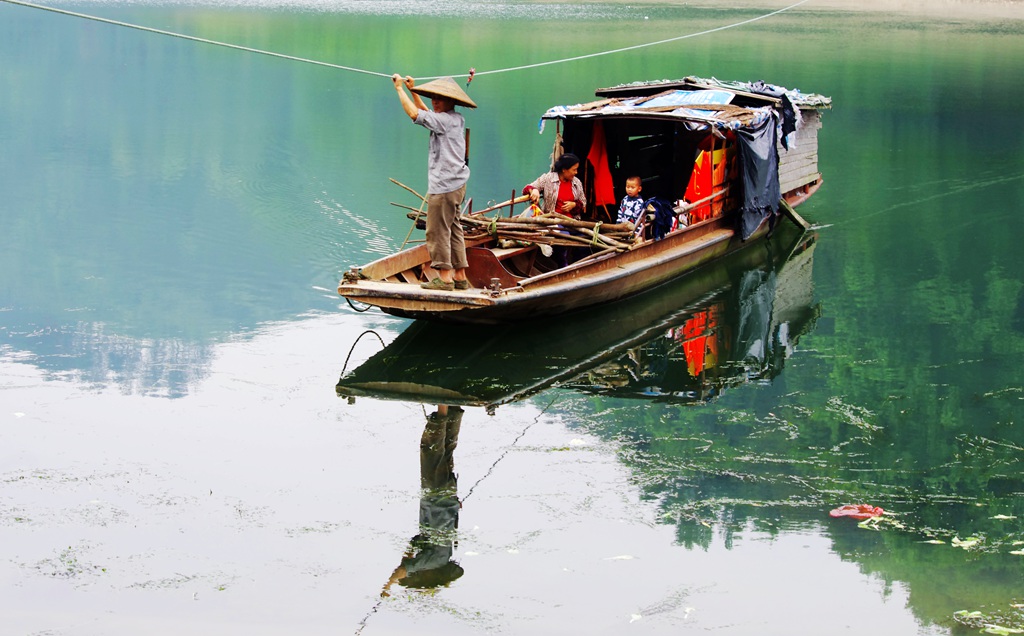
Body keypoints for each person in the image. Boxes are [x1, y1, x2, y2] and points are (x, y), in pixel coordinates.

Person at [392, 74, 477, 291]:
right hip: (458, 185)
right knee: (454, 228)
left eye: (440, 98)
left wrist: (400, 89)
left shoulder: (444, 121)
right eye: (433, 97)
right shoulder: (455, 119)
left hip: (445, 187)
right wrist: (413, 91)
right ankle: (460, 276)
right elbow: (428, 114)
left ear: (451, 100)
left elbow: (414, 114)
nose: (435, 101)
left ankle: (445, 279)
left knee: (437, 230)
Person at [381, 405, 465, 596]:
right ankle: (443, 406)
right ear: (430, 576)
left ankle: (453, 409)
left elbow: (414, 544)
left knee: (445, 452)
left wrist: (408, 556)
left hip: (446, 496)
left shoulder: (440, 558)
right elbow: (403, 571)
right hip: (436, 496)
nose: (418, 574)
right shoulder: (432, 562)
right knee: (431, 451)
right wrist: (388, 585)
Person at [522, 153, 587, 219]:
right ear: (564, 169)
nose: (576, 172)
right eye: (574, 170)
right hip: (551, 222)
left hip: (571, 222)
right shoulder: (548, 178)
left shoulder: (576, 182)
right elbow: (526, 189)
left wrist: (574, 205)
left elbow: (583, 203)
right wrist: (534, 190)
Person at [616, 175, 645, 241]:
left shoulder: (639, 203)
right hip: (623, 230)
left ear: (639, 189)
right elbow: (620, 213)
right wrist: (618, 226)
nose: (629, 189)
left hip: (633, 232)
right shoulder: (625, 199)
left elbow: (641, 220)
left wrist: (636, 233)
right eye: (627, 187)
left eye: (632, 187)